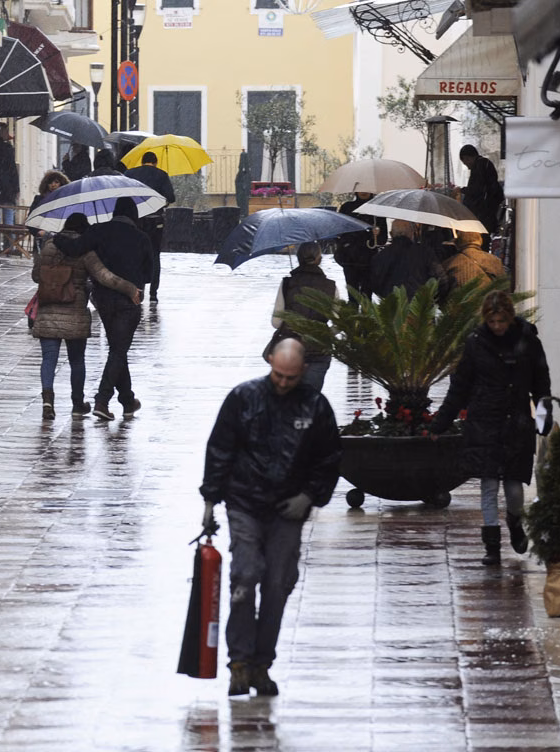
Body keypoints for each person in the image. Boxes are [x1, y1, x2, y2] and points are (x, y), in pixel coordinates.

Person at [199, 338, 341, 697]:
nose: (282, 383)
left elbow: (329, 458)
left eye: (290, 378)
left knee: (278, 584)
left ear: (303, 372)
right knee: (245, 577)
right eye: (278, 375)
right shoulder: (243, 398)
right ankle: (240, 662)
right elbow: (220, 449)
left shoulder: (315, 406)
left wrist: (309, 495)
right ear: (269, 364)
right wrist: (209, 501)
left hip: (287, 508)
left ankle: (262, 663)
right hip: (245, 502)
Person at [429, 290, 552, 566]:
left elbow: (541, 381)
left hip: (517, 423)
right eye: (492, 321)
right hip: (484, 422)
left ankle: (515, 522)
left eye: (501, 321)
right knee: (487, 485)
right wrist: (441, 422)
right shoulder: (475, 344)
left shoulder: (528, 342)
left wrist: (544, 413)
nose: (497, 326)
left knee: (514, 487)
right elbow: (460, 386)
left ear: (509, 318)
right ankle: (492, 546)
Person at [32, 213, 141, 420]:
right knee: (77, 360)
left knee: (49, 358)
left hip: (48, 309)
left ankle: (48, 401)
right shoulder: (85, 251)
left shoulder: (48, 246)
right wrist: (130, 289)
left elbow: (36, 275)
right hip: (74, 312)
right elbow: (105, 277)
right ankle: (77, 404)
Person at [77, 197, 153, 420]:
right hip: (130, 301)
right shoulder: (141, 238)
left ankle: (128, 400)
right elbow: (149, 275)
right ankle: (102, 400)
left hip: (103, 299)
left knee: (117, 349)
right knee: (118, 350)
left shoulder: (99, 232)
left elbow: (77, 248)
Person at [268, 242, 337, 391]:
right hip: (319, 349)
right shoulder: (330, 286)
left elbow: (276, 321)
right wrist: (325, 333)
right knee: (310, 399)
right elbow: (341, 321)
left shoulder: (287, 284)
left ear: (298, 258)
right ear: (319, 259)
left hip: (289, 350)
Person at [124, 151, 176, 305]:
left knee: (136, 255)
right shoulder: (161, 175)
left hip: (136, 221)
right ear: (155, 162)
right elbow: (171, 197)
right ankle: (153, 292)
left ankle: (138, 288)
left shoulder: (129, 174)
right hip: (155, 221)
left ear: (142, 162)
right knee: (154, 255)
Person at [368, 220, 447, 300]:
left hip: (392, 306)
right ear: (411, 233)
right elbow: (441, 279)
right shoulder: (425, 252)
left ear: (391, 234)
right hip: (419, 306)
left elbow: (374, 283)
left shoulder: (380, 256)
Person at [333, 191, 385, 295]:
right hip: (350, 260)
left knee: (367, 295)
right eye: (361, 189)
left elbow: (382, 240)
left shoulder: (377, 210)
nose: (364, 192)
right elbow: (338, 231)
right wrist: (346, 244)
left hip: (369, 261)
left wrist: (377, 234)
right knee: (352, 295)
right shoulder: (347, 208)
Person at [459, 145, 504, 247]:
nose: (467, 166)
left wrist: (462, 190)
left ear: (467, 158)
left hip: (484, 212)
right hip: (489, 210)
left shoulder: (479, 165)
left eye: (465, 163)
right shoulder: (485, 163)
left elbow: (476, 189)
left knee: (483, 239)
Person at [0, 122, 20, 252]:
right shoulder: (7, 149)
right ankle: (9, 246)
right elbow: (13, 170)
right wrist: (16, 188)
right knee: (8, 220)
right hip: (6, 188)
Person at [28, 170, 69, 253]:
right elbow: (30, 220)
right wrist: (39, 232)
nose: (53, 185)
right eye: (50, 183)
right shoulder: (39, 200)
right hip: (42, 240)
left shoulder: (66, 201)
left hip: (61, 240)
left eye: (56, 182)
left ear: (62, 184)